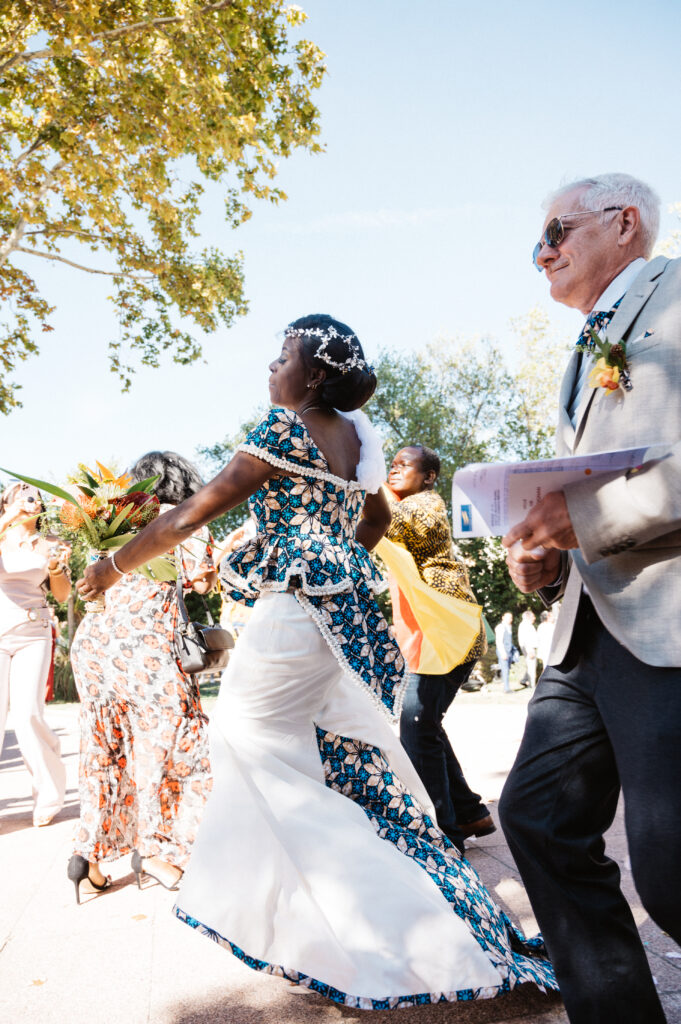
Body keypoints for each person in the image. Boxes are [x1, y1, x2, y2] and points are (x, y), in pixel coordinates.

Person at [78, 314, 556, 1008]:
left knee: (255, 753)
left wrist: (111, 566)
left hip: (296, 614)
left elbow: (187, 517)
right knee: (344, 763)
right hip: (347, 610)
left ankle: (356, 920)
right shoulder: (360, 437)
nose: (270, 370)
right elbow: (376, 522)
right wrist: (336, 559)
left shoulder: (283, 430)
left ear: (315, 374)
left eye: (281, 357)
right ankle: (417, 920)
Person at [499, 173, 681, 1024]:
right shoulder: (582, 351)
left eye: (553, 231)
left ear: (624, 222)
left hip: (665, 615)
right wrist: (544, 555)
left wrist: (580, 518)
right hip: (583, 633)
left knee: (672, 869)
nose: (540, 253)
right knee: (534, 818)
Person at [67, 453, 216, 904]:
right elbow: (203, 582)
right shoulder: (184, 522)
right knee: (177, 749)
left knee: (104, 751)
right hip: (149, 652)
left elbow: (88, 586)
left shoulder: (110, 525)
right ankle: (159, 852)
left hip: (95, 651)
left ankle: (88, 859)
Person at [381, 444, 495, 852]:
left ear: (429, 477)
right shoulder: (403, 502)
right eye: (390, 465)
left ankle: (444, 832)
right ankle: (468, 811)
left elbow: (392, 524)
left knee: (415, 725)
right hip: (433, 634)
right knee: (423, 723)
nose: (393, 471)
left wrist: (365, 486)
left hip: (446, 635)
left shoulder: (425, 505)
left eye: (403, 466)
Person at [0, 482, 70, 826]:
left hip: (34, 632)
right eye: (23, 495)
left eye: (37, 496)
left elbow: (62, 595)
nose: (33, 499)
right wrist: (7, 519)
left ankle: (48, 796)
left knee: (28, 714)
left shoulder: (52, 543)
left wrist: (56, 569)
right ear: (7, 502)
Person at [517, 609, 538, 688]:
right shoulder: (525, 625)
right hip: (529, 649)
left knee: (531, 666)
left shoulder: (526, 624)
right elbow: (526, 640)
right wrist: (529, 651)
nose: (534, 618)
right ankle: (532, 685)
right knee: (531, 667)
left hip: (530, 648)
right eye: (533, 616)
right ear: (528, 617)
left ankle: (524, 680)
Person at [494, 612, 513, 693]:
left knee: (507, 669)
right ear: (503, 617)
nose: (510, 619)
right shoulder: (500, 627)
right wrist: (503, 653)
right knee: (505, 670)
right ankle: (506, 688)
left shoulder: (509, 627)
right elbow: (499, 641)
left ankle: (506, 686)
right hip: (503, 651)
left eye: (511, 618)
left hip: (508, 651)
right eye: (508, 617)